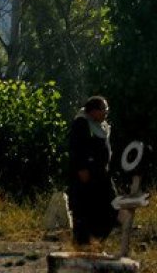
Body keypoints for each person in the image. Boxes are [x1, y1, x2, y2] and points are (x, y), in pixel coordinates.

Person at [66, 95, 117, 246]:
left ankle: (97, 239)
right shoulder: (81, 123)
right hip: (86, 173)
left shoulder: (101, 125)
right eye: (103, 109)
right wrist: (82, 168)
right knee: (85, 208)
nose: (106, 112)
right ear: (93, 111)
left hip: (100, 173)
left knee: (111, 204)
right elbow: (76, 148)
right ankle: (82, 244)